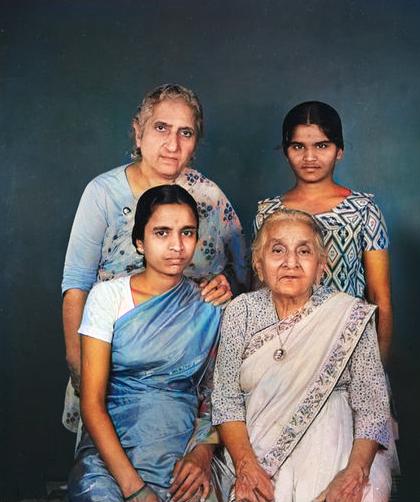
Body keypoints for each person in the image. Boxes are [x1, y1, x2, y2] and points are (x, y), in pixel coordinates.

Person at [62, 83, 248, 431]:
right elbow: (76, 286)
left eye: (186, 133)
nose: (172, 144)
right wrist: (81, 370)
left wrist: (229, 284)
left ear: (195, 143)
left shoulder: (209, 196)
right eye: (161, 128)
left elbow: (245, 271)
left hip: (188, 371)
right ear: (138, 132)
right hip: (113, 363)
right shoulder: (103, 193)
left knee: (184, 472)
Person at [212, 209, 392, 502]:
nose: (290, 263)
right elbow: (226, 399)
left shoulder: (350, 314)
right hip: (255, 453)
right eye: (278, 250)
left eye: (304, 251)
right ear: (259, 264)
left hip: (337, 450)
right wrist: (246, 466)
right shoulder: (241, 311)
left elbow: (372, 408)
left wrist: (354, 475)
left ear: (322, 265)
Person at [69, 185, 222, 501]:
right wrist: (134, 488)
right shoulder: (108, 297)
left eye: (187, 232)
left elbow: (219, 396)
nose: (176, 245)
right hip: (110, 452)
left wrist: (202, 454)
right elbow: (92, 402)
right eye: (162, 233)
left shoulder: (210, 305)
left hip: (180, 448)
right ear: (140, 241)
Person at [254, 101, 392, 365]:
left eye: (322, 146)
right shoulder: (267, 214)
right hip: (286, 349)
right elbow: (261, 294)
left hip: (347, 346)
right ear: (285, 152)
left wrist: (378, 369)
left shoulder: (364, 210)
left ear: (339, 150)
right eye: (298, 147)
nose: (309, 157)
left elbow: (380, 299)